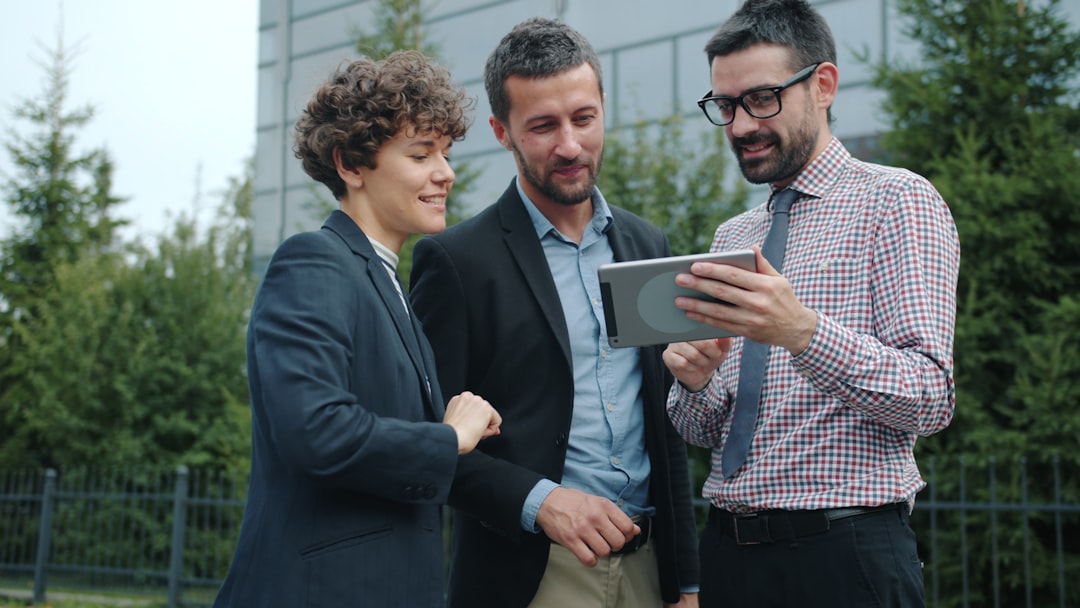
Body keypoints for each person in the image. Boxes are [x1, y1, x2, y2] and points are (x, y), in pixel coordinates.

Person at [661, 1, 961, 607]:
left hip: (845, 556)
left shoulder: (898, 201)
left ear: (822, 85)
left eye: (762, 98)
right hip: (729, 554)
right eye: (726, 105)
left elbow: (931, 398)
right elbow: (703, 431)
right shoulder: (731, 238)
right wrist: (696, 382)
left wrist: (803, 333)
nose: (742, 124)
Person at [409, 17, 700, 608]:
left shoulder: (649, 245)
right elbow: (428, 442)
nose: (569, 145)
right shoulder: (456, 261)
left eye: (583, 118)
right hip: (529, 578)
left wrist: (685, 582)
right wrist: (540, 502)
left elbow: (665, 431)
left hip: (649, 572)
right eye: (543, 126)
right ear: (501, 131)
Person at [212, 50, 502, 608]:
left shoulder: (389, 285)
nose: (446, 172)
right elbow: (316, 432)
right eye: (421, 154)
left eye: (444, 153)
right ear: (350, 165)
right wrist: (448, 438)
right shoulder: (314, 261)